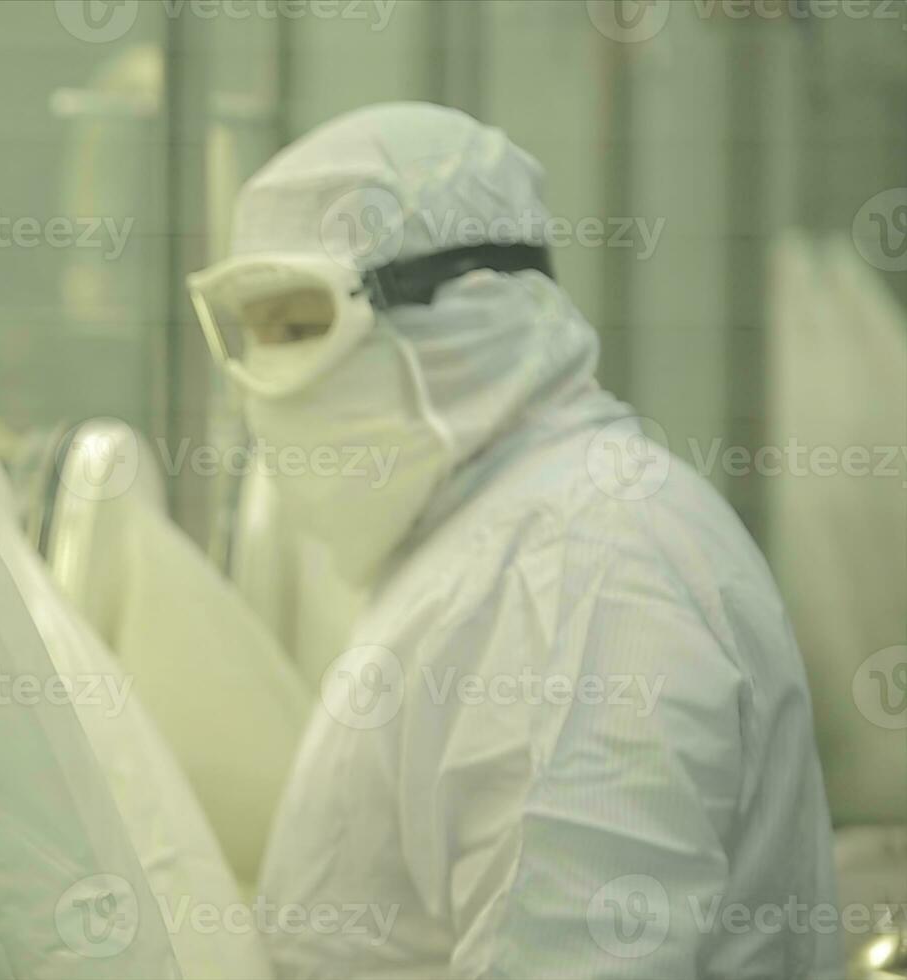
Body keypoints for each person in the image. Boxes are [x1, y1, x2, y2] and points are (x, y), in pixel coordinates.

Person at [189, 102, 842, 978]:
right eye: (256, 336)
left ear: (472, 302)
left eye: (302, 327)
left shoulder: (588, 570)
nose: (263, 392)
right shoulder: (483, 538)